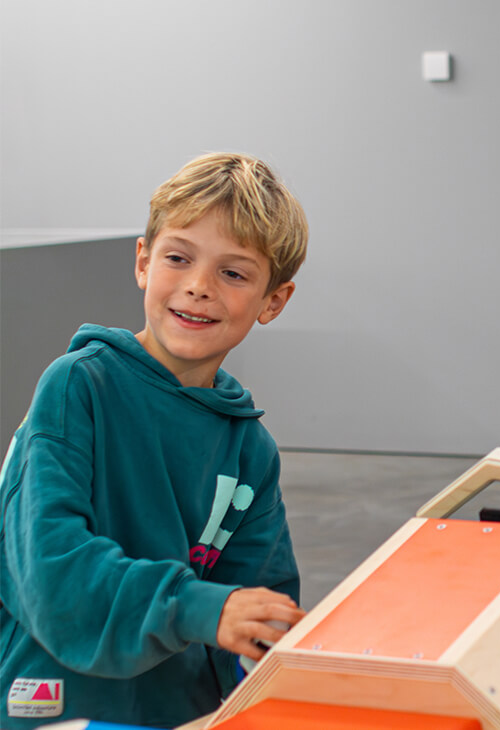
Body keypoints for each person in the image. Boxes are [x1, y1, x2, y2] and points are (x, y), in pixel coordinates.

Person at [0, 152, 309, 728]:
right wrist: (199, 607)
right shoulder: (77, 387)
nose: (197, 287)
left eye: (233, 273)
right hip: (55, 706)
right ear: (143, 262)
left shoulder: (250, 449)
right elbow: (50, 571)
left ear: (274, 300)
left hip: (181, 714)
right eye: (178, 258)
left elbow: (257, 607)